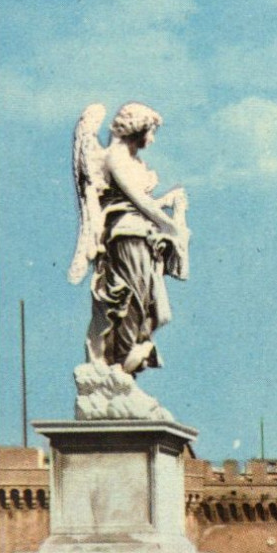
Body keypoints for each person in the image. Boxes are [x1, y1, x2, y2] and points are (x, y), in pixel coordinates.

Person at [72, 102, 189, 376]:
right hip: (127, 238)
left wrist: (168, 203)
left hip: (143, 238)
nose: (153, 138)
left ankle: (126, 362)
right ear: (139, 127)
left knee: (158, 313)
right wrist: (171, 225)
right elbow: (138, 201)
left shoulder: (133, 161)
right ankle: (122, 365)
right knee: (131, 305)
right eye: (152, 131)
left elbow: (141, 205)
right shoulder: (115, 157)